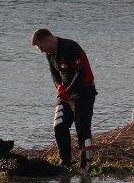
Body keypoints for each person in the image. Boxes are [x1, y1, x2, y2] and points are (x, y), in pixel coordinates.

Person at [32, 28, 97, 171]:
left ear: (49, 40)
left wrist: (69, 90)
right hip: (66, 95)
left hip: (84, 93)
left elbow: (80, 73)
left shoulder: (70, 47)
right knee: (59, 125)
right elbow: (55, 74)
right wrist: (60, 88)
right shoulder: (50, 54)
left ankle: (86, 164)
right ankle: (65, 162)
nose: (42, 51)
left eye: (41, 47)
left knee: (82, 130)